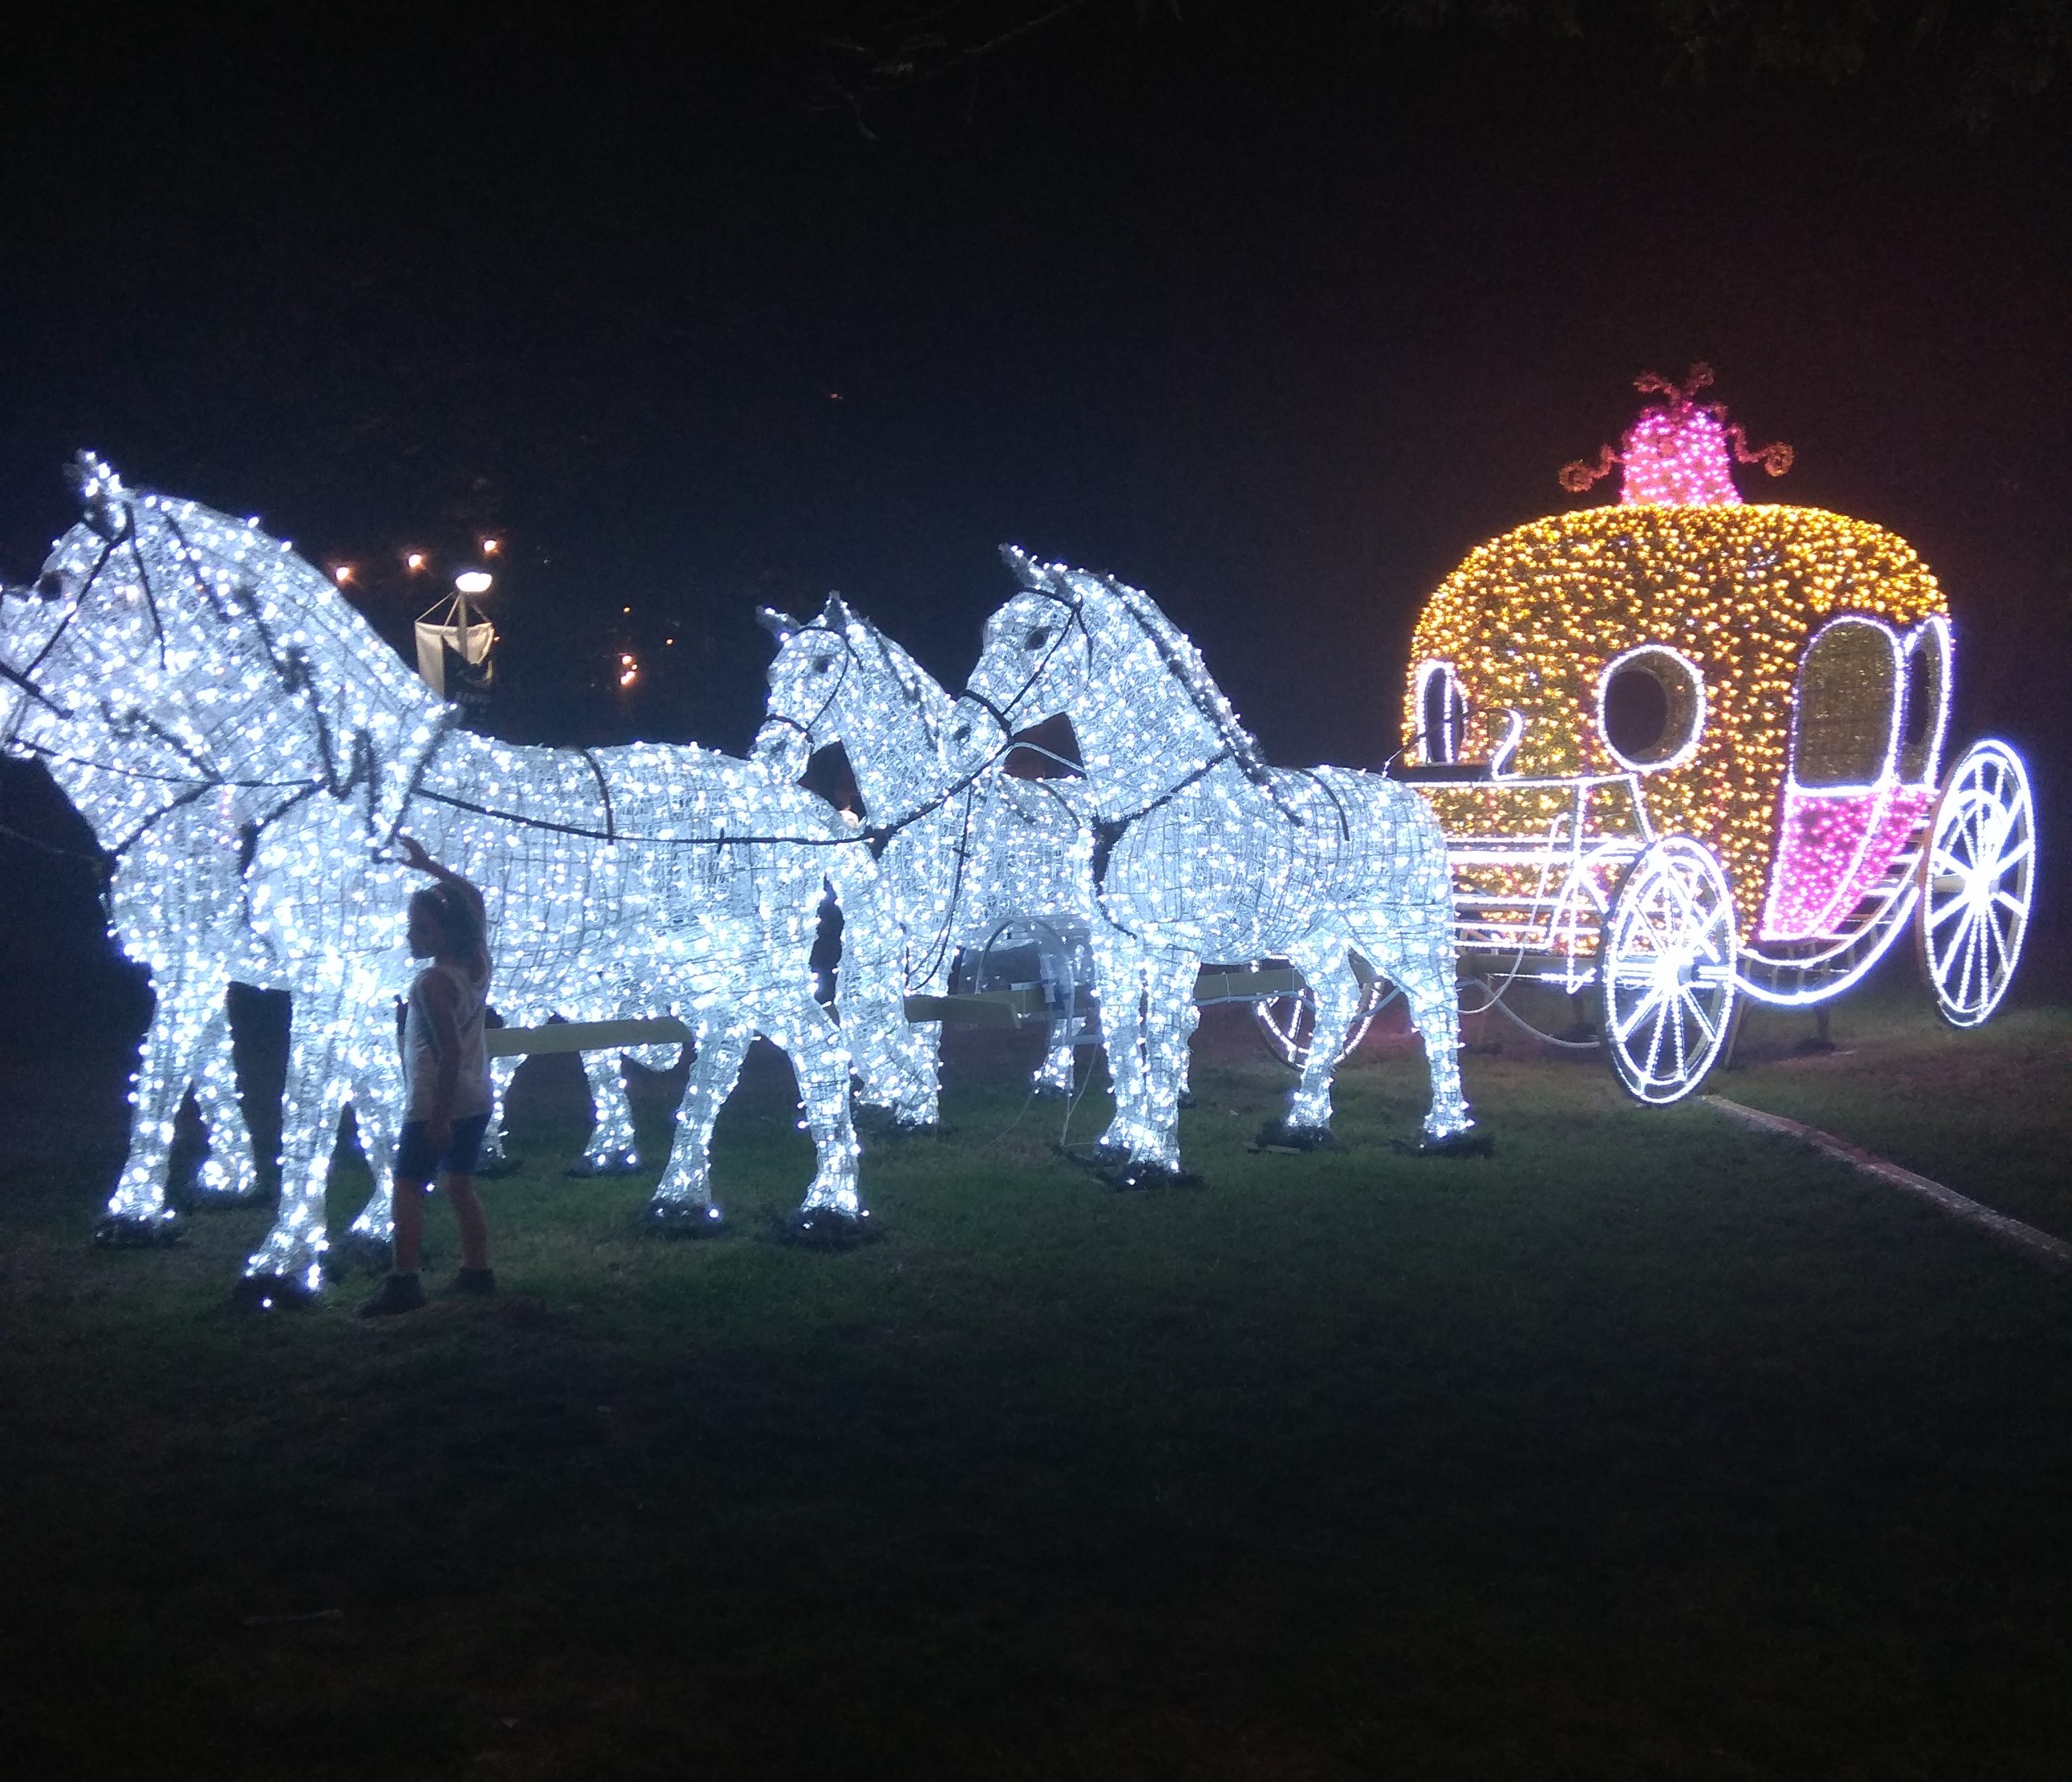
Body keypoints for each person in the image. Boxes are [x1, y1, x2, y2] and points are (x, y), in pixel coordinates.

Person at [361, 834, 496, 1316]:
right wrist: (430, 867)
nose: (410, 936)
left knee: (406, 1189)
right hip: (479, 1097)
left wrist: (437, 1119)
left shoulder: (432, 983)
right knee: (460, 1185)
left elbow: (450, 1054)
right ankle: (478, 1270)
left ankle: (405, 1279)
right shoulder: (477, 961)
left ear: (444, 931)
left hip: (436, 1102)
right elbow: (474, 900)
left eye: (420, 928)